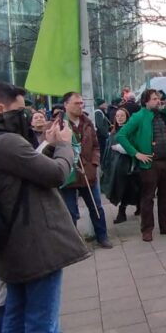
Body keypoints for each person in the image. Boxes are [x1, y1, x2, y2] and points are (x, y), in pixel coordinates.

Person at [0, 82, 90, 333]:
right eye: (21, 108)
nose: (26, 114)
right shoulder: (6, 142)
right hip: (35, 240)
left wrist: (47, 145)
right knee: (41, 319)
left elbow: (28, 172)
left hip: (12, 241)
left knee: (17, 316)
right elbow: (55, 174)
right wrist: (66, 146)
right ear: (1, 109)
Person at [115, 89, 166, 241]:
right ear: (146, 102)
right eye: (154, 99)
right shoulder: (138, 117)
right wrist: (136, 153)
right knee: (147, 198)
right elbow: (121, 135)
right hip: (149, 165)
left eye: (158, 98)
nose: (158, 101)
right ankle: (147, 229)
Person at [60, 92, 111, 249]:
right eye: (76, 103)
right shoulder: (59, 125)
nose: (80, 106)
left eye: (81, 103)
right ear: (66, 105)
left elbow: (96, 146)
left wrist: (94, 163)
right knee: (70, 211)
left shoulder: (88, 123)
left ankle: (102, 236)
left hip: (88, 173)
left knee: (96, 207)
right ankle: (74, 244)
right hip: (69, 174)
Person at [103, 107, 137, 224]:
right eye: (117, 116)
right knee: (120, 188)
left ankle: (122, 211)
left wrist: (120, 148)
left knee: (127, 189)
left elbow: (134, 147)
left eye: (122, 116)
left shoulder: (130, 131)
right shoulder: (113, 131)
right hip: (115, 166)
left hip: (127, 165)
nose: (119, 118)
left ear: (127, 117)